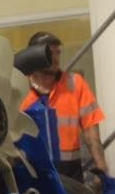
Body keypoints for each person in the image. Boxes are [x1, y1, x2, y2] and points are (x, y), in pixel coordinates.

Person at [19, 32, 109, 183]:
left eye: (57, 53)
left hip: (70, 171)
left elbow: (90, 133)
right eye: (50, 53)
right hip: (35, 172)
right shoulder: (20, 91)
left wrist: (101, 168)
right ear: (34, 55)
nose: (55, 59)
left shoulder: (75, 83)